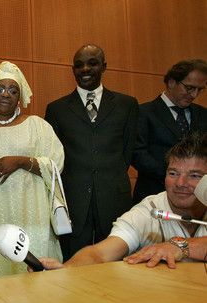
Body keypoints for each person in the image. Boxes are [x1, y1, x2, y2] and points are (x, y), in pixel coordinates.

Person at [35, 133, 207, 270]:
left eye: (194, 176)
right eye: (173, 173)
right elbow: (100, 253)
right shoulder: (149, 210)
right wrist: (66, 270)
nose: (180, 183)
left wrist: (180, 246)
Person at [0, 61, 64, 277]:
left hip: (31, 215)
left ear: (19, 98)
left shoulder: (38, 126)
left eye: (12, 90)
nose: (5, 94)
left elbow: (56, 165)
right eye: (0, 89)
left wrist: (21, 161)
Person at [45, 44, 139, 260]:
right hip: (73, 200)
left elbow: (127, 151)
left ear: (104, 66)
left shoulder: (127, 105)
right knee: (74, 263)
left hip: (114, 196)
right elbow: (54, 157)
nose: (85, 69)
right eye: (79, 65)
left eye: (92, 63)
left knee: (117, 262)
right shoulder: (56, 109)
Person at [132, 59, 207, 204]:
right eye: (190, 88)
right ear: (172, 82)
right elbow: (137, 154)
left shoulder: (203, 114)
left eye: (200, 89)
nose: (194, 95)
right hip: (154, 194)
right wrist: (175, 176)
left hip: (197, 199)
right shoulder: (143, 112)